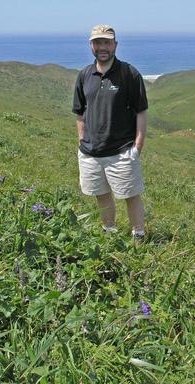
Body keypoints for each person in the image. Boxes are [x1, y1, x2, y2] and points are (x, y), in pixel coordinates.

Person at [72, 24, 148, 238]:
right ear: (91, 46)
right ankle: (110, 232)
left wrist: (137, 147)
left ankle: (138, 235)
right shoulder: (85, 75)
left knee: (131, 195)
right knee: (101, 195)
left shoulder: (129, 74)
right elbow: (80, 113)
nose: (102, 47)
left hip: (122, 151)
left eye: (107, 42)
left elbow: (141, 112)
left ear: (115, 44)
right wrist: (82, 141)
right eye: (98, 42)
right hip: (90, 153)